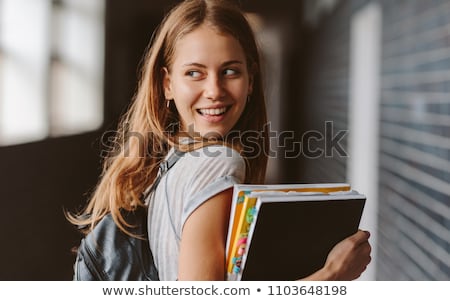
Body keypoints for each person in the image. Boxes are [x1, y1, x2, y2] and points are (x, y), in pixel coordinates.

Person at [68, 0, 371, 281]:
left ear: (250, 80)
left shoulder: (164, 161)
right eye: (195, 73)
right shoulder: (215, 162)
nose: (214, 90)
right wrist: (332, 274)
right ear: (167, 84)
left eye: (229, 71)